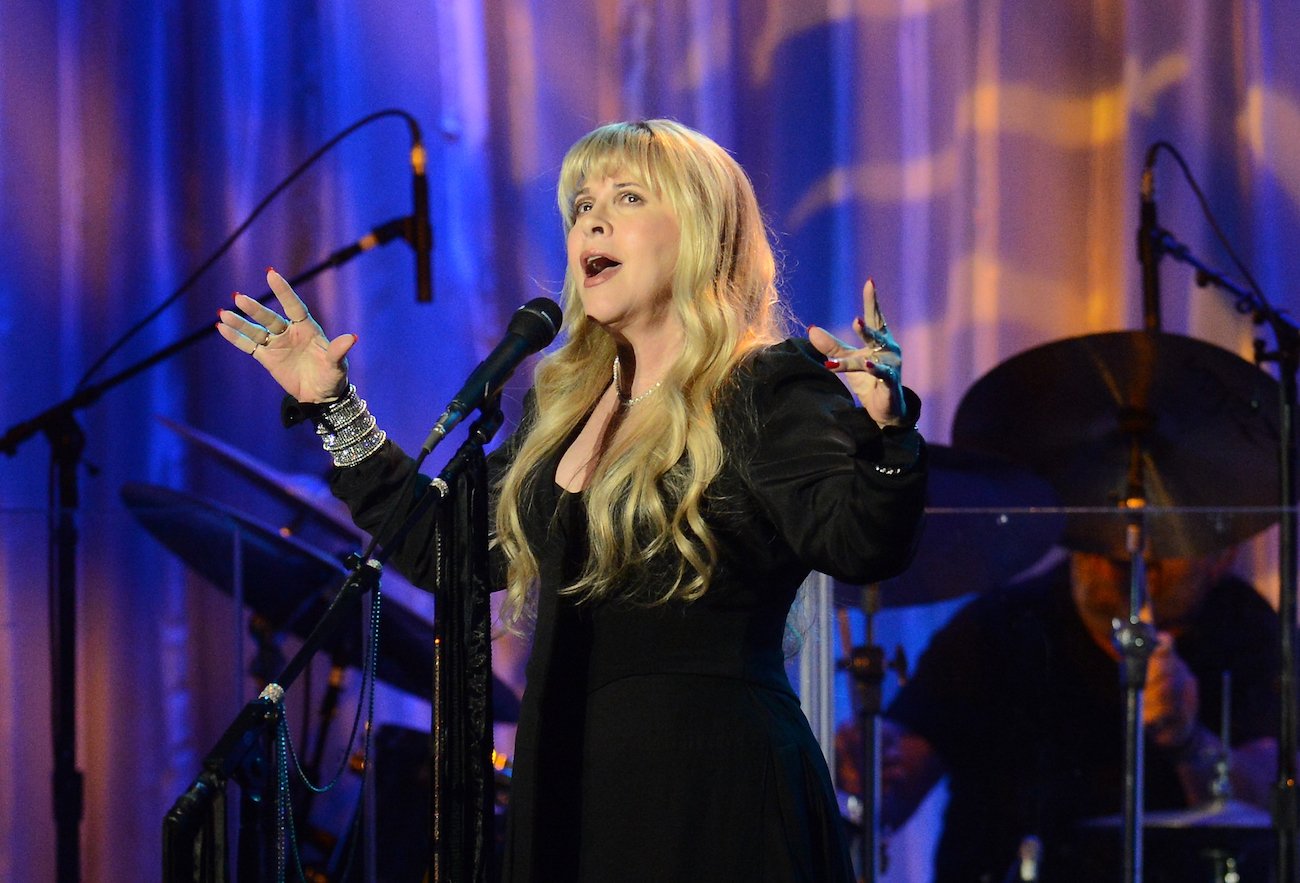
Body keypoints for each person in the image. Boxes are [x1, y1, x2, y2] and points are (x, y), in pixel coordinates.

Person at [217, 119, 928, 881]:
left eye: (627, 196)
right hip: (570, 792)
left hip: (713, 793)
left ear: (701, 232)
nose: (592, 218)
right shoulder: (566, 408)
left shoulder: (763, 385)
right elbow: (444, 548)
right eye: (581, 204)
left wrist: (887, 436)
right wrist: (335, 406)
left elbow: (862, 543)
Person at [838, 547, 1281, 882]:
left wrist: (1188, 738)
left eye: (1162, 530)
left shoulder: (1247, 629)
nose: (1131, 552)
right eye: (1103, 527)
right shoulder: (1001, 625)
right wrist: (870, 767)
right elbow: (901, 772)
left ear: (1221, 555)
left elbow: (1269, 803)